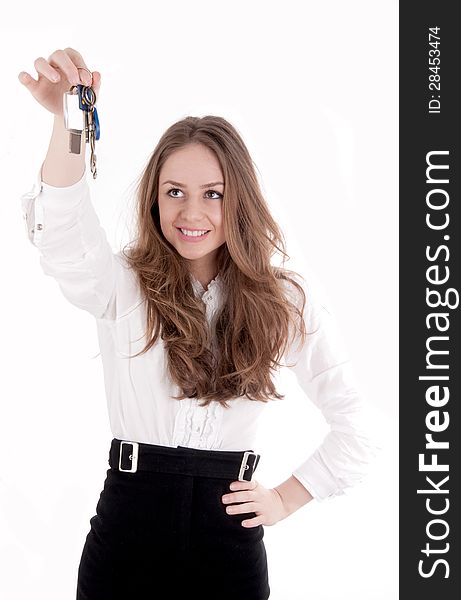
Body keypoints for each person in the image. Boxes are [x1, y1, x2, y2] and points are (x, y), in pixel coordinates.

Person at [18, 48, 379, 600]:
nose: (192, 213)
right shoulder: (124, 286)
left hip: (226, 542)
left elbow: (360, 427)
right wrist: (69, 118)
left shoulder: (286, 300)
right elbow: (63, 233)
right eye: (174, 192)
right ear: (154, 200)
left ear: (239, 200)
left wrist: (285, 498)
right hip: (128, 530)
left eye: (213, 194)